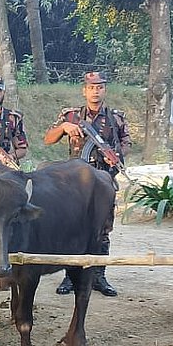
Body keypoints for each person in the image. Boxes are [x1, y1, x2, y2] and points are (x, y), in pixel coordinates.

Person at [44, 70, 130, 297]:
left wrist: (115, 155)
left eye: (99, 87)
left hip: (102, 184)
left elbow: (126, 144)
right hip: (73, 185)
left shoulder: (116, 117)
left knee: (102, 230)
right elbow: (48, 139)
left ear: (105, 90)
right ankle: (70, 276)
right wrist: (63, 128)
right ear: (84, 90)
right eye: (91, 87)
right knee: (71, 227)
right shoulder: (70, 115)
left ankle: (98, 276)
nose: (95, 91)